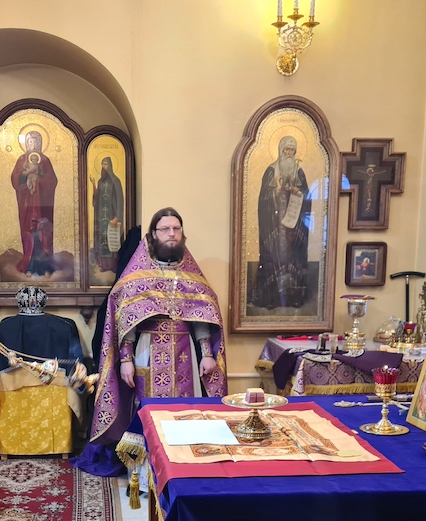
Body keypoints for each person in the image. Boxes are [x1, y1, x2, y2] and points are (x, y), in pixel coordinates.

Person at [88, 207, 227, 446]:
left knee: (185, 409)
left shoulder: (191, 275)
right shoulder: (137, 275)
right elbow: (127, 321)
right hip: (146, 349)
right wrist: (126, 359)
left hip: (185, 352)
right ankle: (145, 461)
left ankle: (183, 455)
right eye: (165, 229)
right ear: (153, 234)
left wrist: (206, 354)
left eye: (176, 228)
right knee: (146, 406)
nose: (171, 233)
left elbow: (201, 317)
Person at [253, 135, 311, 309]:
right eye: (287, 149)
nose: (289, 153)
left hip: (294, 228)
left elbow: (307, 197)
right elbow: (263, 200)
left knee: (294, 260)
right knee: (273, 260)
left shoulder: (299, 172)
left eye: (292, 150)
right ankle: (271, 298)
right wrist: (277, 192)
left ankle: (294, 298)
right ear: (281, 150)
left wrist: (297, 192)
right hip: (275, 227)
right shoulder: (271, 171)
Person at [11, 130, 58, 276]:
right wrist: (26, 174)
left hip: (43, 206)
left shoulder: (45, 161)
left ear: (40, 143)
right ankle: (29, 266)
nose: (33, 144)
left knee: (43, 233)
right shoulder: (22, 160)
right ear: (26, 143)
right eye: (30, 141)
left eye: (36, 141)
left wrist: (38, 181)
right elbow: (15, 180)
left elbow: (52, 180)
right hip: (27, 205)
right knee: (30, 233)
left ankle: (46, 267)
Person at [90, 156, 124, 273]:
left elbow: (120, 200)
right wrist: (93, 185)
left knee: (111, 241)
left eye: (105, 164)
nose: (103, 167)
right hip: (101, 218)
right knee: (102, 240)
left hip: (111, 218)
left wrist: (117, 217)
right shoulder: (100, 181)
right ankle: (104, 265)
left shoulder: (115, 181)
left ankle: (113, 265)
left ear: (110, 166)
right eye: (102, 164)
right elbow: (97, 198)